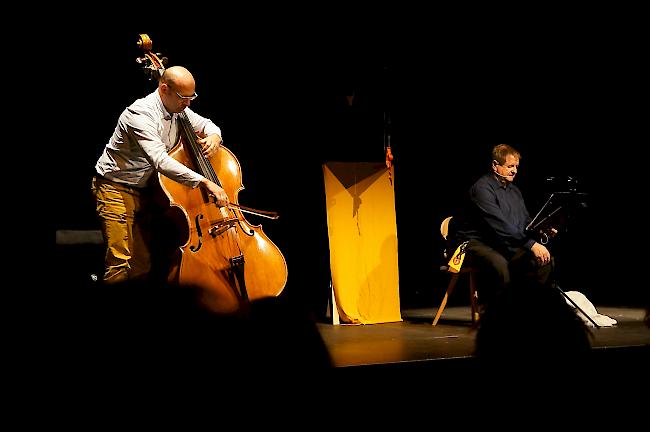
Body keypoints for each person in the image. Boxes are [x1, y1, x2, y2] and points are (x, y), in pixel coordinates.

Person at [91, 65, 230, 284]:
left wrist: (214, 136)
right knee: (120, 264)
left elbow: (206, 124)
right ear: (164, 89)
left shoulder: (178, 110)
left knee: (142, 263)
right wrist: (204, 181)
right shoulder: (140, 114)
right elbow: (160, 160)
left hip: (147, 190)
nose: (188, 104)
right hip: (115, 188)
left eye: (191, 97)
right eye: (183, 98)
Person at [452, 143, 554, 307]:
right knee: (500, 265)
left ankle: (534, 307)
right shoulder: (482, 189)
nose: (514, 170)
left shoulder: (514, 191)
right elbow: (499, 224)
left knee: (543, 260)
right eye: (510, 166)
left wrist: (541, 229)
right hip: (474, 242)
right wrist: (530, 244)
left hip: (498, 240)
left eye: (516, 166)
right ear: (495, 165)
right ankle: (499, 314)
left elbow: (525, 221)